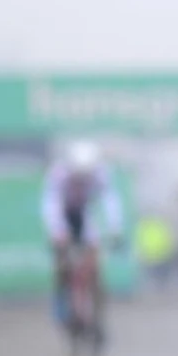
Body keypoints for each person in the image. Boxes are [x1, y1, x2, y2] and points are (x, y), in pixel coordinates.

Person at [40, 140, 126, 336]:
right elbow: (50, 205)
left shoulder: (100, 173)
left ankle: (97, 308)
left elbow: (110, 200)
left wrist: (115, 228)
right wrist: (57, 232)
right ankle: (61, 310)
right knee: (62, 269)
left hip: (86, 215)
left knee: (94, 265)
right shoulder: (58, 174)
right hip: (65, 215)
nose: (81, 180)